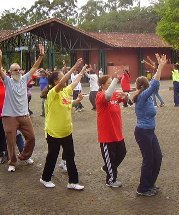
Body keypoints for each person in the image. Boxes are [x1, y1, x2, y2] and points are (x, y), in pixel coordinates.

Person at [39, 59, 87, 190]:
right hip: (54, 132)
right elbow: (61, 83)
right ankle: (45, 178)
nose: (65, 80)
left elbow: (74, 84)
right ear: (55, 81)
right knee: (52, 156)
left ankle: (73, 182)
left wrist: (81, 71)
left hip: (66, 131)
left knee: (70, 156)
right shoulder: (52, 93)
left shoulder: (65, 92)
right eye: (61, 78)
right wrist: (73, 68)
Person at [0, 44, 45, 172]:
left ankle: (24, 156)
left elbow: (35, 67)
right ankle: (12, 163)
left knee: (31, 137)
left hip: (24, 115)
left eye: (19, 69)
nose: (18, 71)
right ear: (10, 72)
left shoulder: (24, 79)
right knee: (11, 142)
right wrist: (0, 57)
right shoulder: (7, 81)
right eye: (15, 70)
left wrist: (41, 55)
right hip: (9, 116)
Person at [132, 53, 167, 197]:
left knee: (157, 157)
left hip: (150, 132)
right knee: (148, 160)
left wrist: (158, 67)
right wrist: (160, 67)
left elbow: (153, 83)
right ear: (145, 86)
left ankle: (150, 183)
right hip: (143, 132)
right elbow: (155, 83)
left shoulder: (146, 97)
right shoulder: (143, 96)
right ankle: (142, 188)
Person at [96, 71, 129, 187]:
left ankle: (107, 167)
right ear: (102, 85)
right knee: (110, 157)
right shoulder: (100, 95)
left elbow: (126, 100)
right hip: (107, 136)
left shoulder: (115, 94)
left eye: (112, 83)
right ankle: (111, 180)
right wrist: (115, 80)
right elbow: (107, 96)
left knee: (122, 153)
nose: (111, 85)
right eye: (109, 83)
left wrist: (126, 97)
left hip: (118, 133)